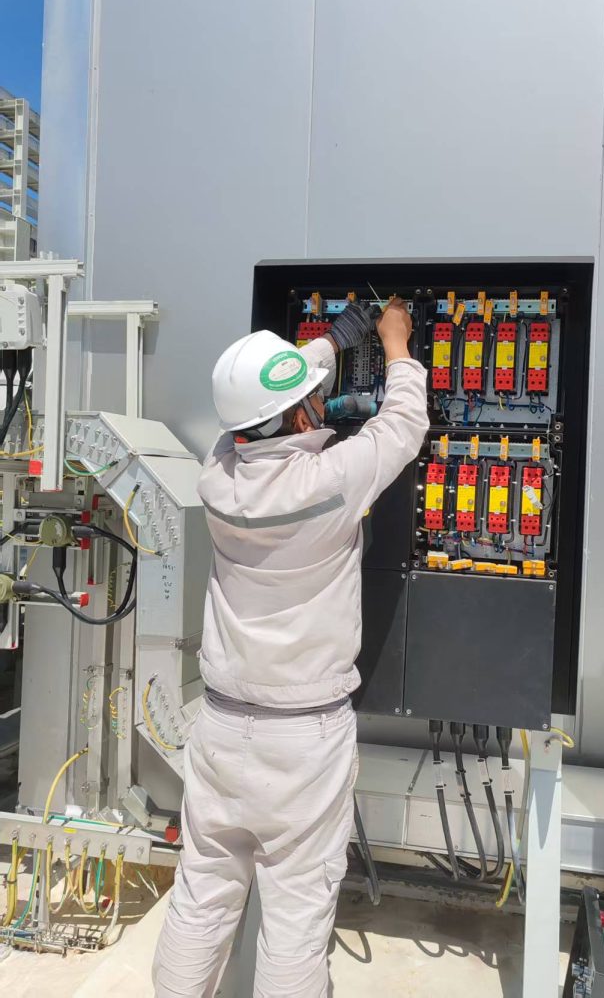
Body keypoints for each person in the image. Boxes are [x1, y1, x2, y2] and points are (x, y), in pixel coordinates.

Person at [153, 297, 428, 997]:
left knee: (202, 894)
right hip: (304, 739)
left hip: (220, 727)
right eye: (308, 400)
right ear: (300, 417)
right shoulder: (329, 481)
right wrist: (395, 343)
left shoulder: (217, 476)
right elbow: (403, 425)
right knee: (297, 914)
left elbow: (256, 410)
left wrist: (335, 337)